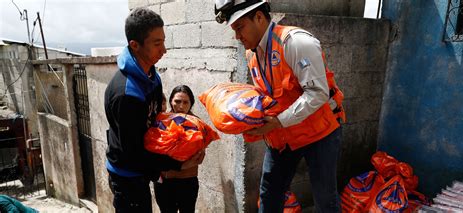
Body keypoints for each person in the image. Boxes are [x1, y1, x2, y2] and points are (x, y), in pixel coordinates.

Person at [214, 1, 345, 212]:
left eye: (239, 27)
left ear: (259, 17)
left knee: (324, 197)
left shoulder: (296, 43)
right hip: (283, 135)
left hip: (320, 133)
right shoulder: (251, 53)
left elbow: (317, 93)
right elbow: (268, 93)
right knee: (270, 191)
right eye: (234, 30)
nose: (236, 36)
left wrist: (277, 121)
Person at [104, 8, 203, 213]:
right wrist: (177, 165)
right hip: (127, 176)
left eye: (163, 41)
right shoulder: (127, 94)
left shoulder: (151, 75)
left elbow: (157, 123)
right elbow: (133, 155)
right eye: (157, 44)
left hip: (141, 171)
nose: (164, 50)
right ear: (135, 45)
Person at [154, 85, 204, 213]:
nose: (181, 106)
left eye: (185, 102)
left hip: (187, 182)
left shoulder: (197, 124)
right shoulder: (162, 122)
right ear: (171, 101)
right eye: (177, 101)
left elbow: (200, 157)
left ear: (191, 103)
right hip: (164, 183)